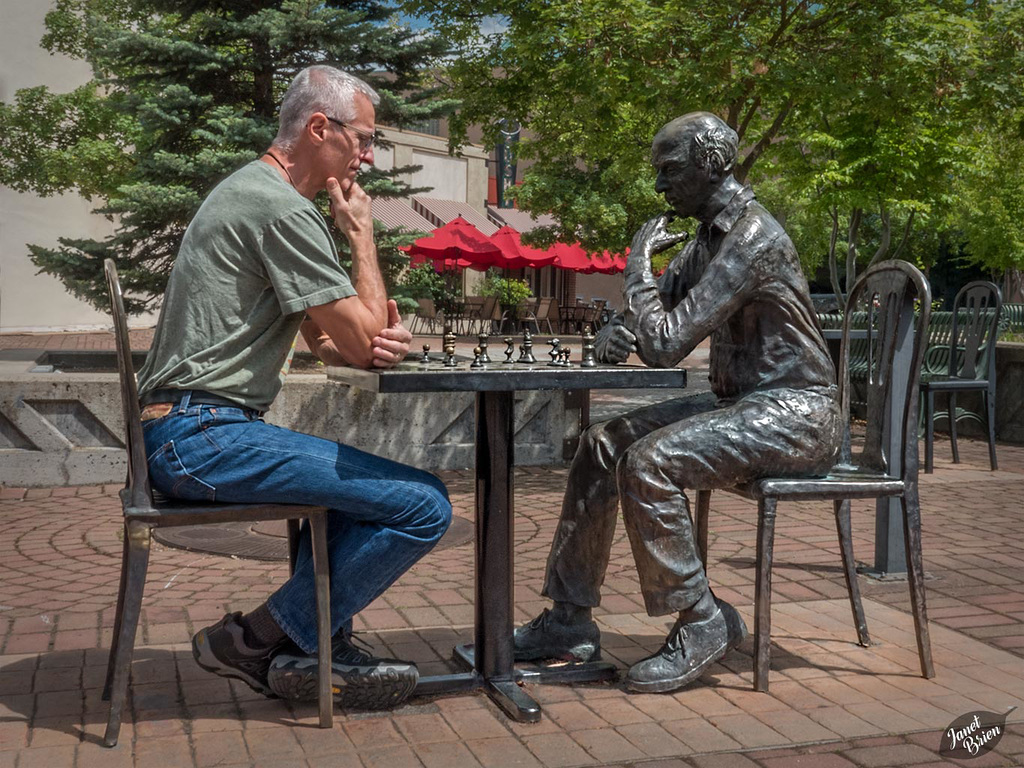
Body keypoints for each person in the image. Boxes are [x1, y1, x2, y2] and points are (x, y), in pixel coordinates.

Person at [136, 65, 452, 710]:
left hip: (189, 429)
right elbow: (361, 340)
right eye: (364, 138)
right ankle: (255, 640)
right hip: (200, 437)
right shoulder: (281, 210)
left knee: (356, 497)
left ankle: (312, 649)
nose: (369, 155)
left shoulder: (255, 195)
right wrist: (362, 238)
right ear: (318, 127)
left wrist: (366, 343)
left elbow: (330, 342)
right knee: (424, 505)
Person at [514, 112, 841, 693]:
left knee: (650, 461)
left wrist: (636, 262)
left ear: (711, 164)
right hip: (740, 405)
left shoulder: (753, 239)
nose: (659, 186)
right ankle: (568, 619)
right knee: (603, 443)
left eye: (668, 170)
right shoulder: (704, 242)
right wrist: (616, 331)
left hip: (797, 412)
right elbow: (652, 324)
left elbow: (665, 345)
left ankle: (703, 620)